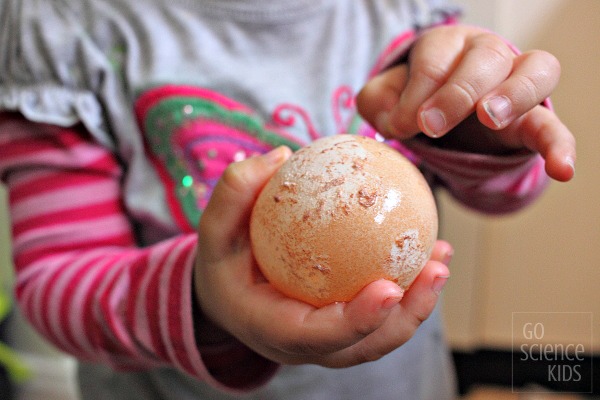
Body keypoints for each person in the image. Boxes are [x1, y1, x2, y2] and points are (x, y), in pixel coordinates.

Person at [0, 0, 576, 399]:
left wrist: (475, 129)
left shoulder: (401, 15)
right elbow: (56, 282)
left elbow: (509, 196)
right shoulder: (63, 33)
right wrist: (206, 300)